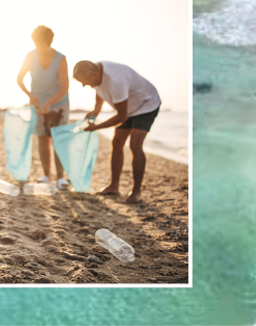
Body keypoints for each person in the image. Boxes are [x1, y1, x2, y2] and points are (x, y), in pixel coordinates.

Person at [73, 59, 162, 204]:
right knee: (117, 143)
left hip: (146, 104)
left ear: (94, 75)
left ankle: (136, 192)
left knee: (135, 145)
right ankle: (114, 186)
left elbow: (121, 116)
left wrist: (96, 127)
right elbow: (100, 90)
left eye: (84, 82)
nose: (84, 86)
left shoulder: (116, 80)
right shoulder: (97, 72)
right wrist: (96, 109)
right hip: (128, 108)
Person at [16, 25, 70, 189]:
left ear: (48, 41)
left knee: (58, 139)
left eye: (39, 43)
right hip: (38, 104)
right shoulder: (30, 56)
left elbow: (64, 88)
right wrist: (30, 95)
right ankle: (47, 175)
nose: (37, 46)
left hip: (59, 104)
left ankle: (60, 178)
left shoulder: (61, 58)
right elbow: (19, 79)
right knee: (42, 138)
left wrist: (49, 104)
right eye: (35, 43)